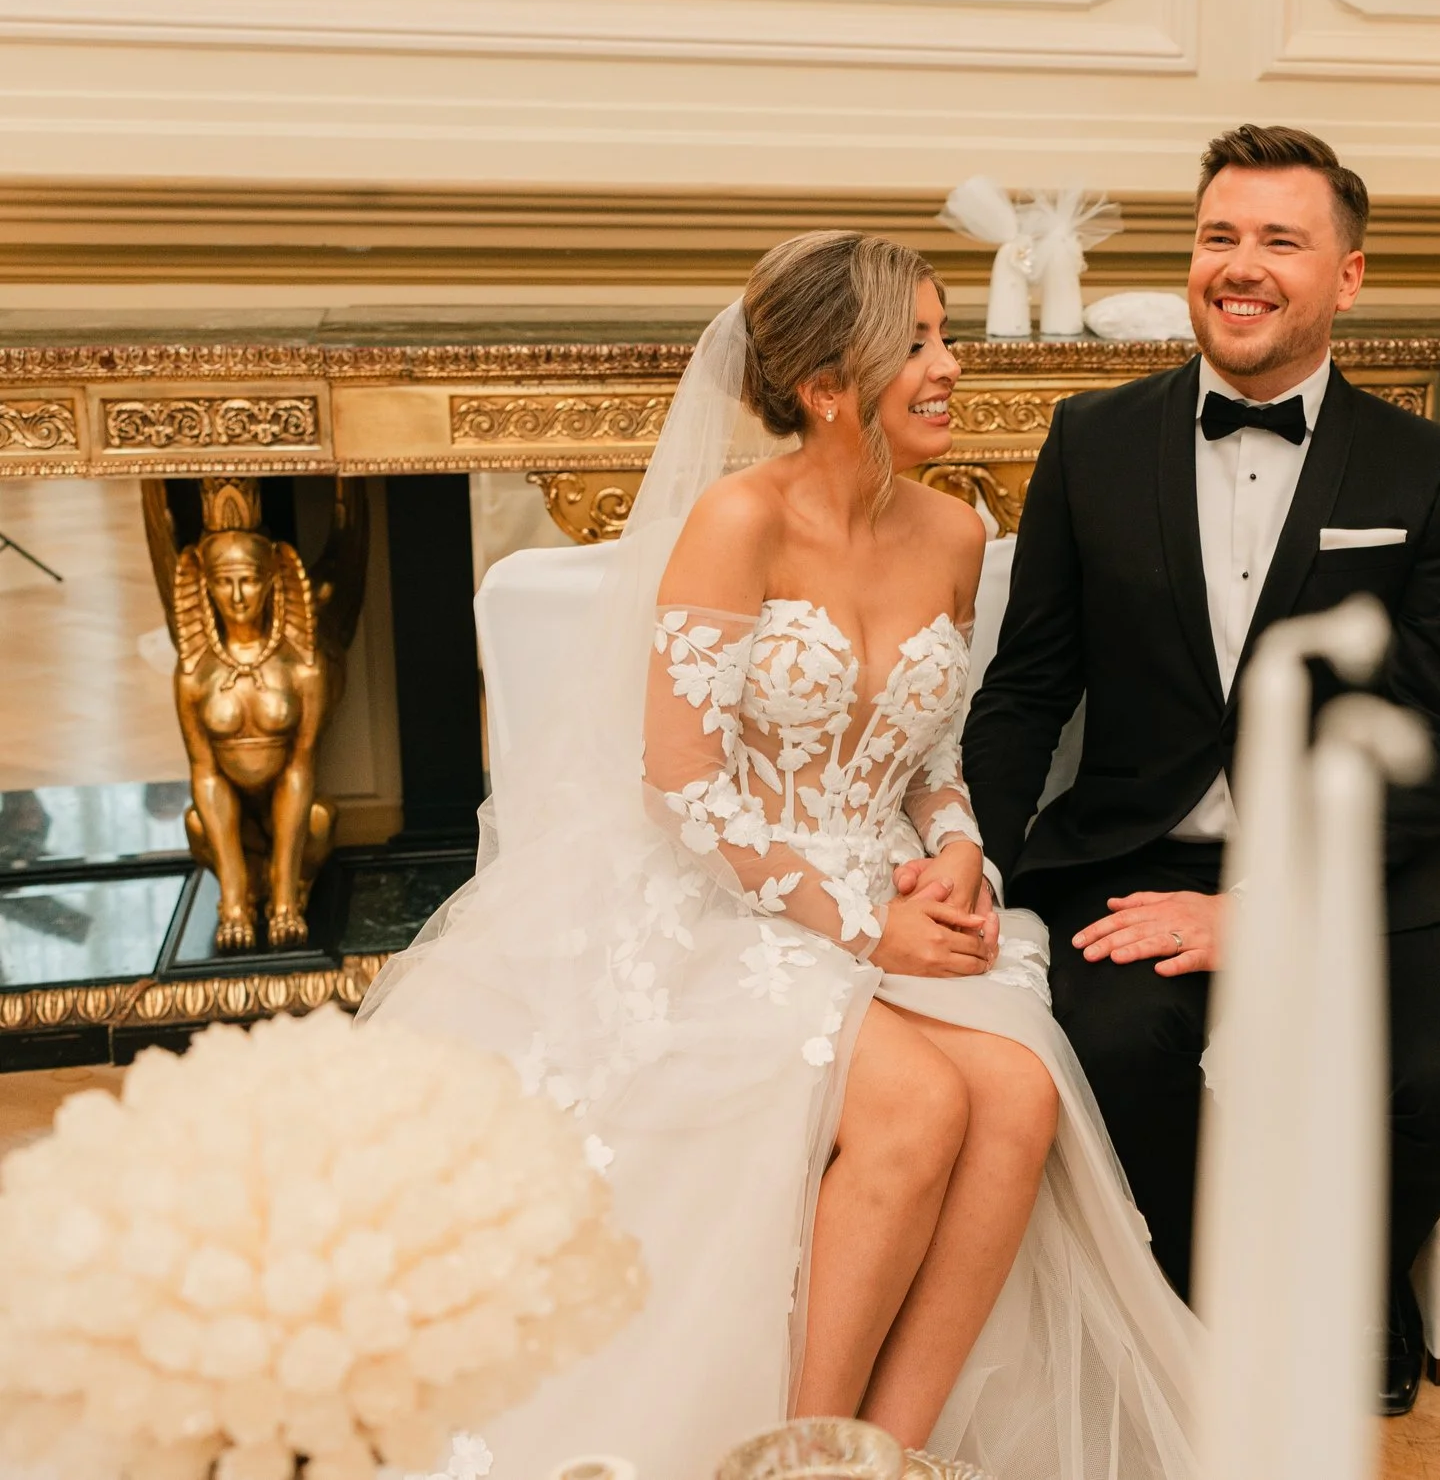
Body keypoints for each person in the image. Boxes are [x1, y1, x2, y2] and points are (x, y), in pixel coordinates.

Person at [358, 232, 1196, 1478]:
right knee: (917, 1103)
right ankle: (794, 1451)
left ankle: (882, 1453)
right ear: (824, 383)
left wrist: (960, 852)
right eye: (914, 342)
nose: (949, 365)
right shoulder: (738, 518)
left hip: (888, 883)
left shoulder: (956, 532)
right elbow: (679, 781)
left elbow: (929, 758)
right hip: (726, 893)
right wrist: (861, 929)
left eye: (944, 334)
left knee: (1017, 1098)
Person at [962, 124, 1440, 1418]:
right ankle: (1195, 1302)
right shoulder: (1092, 439)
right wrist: (974, 864)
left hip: (1358, 855)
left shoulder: (1426, 469)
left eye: (1282, 239)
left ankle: (1351, 1270)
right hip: (1136, 851)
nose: (1242, 264)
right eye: (1221, 235)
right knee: (1106, 1043)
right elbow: (1027, 689)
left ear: (1349, 276)